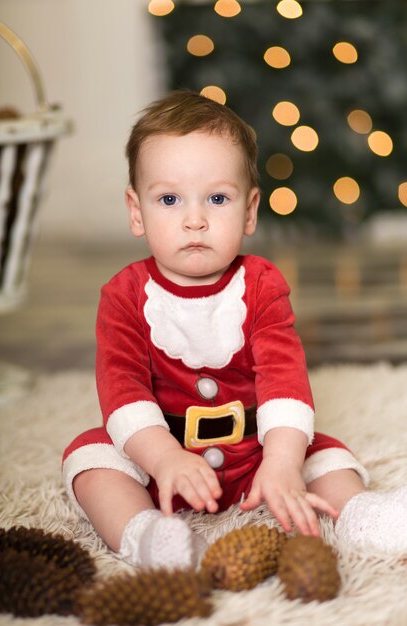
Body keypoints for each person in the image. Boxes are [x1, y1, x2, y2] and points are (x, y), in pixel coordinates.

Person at [62, 90, 407, 569]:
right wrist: (163, 459)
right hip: (164, 461)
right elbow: (123, 391)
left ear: (249, 211)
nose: (195, 220)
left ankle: (361, 515)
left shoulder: (262, 285)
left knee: (323, 453)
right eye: (168, 199)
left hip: (256, 458)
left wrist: (282, 463)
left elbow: (284, 379)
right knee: (91, 459)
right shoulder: (123, 296)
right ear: (136, 211)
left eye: (218, 198)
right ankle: (145, 534)